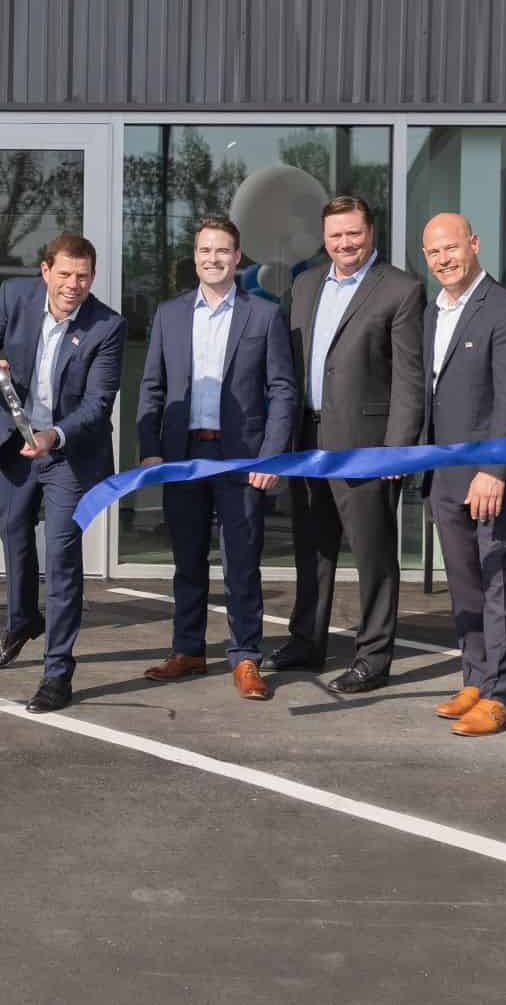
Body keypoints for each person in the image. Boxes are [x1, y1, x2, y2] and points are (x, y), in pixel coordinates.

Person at [135, 215, 299, 700]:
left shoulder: (263, 315)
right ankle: (187, 650)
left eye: (222, 250)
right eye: (205, 250)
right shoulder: (169, 314)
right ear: (195, 257)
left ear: (238, 255)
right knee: (187, 559)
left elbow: (282, 390)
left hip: (242, 459)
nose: (213, 259)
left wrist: (271, 457)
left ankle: (246, 656)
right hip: (184, 456)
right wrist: (150, 450)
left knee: (241, 561)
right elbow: (152, 388)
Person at [0, 234, 124, 713]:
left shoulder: (107, 326)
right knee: (14, 537)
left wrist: (54, 435)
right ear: (45, 271)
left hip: (66, 454)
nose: (74, 285)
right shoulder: (15, 297)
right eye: (65, 274)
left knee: (61, 558)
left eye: (84, 277)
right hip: (15, 444)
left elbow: (98, 405)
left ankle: (57, 673)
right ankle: (20, 622)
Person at [276, 194, 425, 694]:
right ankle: (306, 641)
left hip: (368, 445)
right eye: (336, 235)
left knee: (373, 555)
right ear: (325, 238)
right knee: (312, 546)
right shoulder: (305, 284)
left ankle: (374, 656)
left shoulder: (401, 289)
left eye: (354, 233)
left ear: (371, 233)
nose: (345, 243)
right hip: (307, 437)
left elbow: (409, 378)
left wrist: (397, 449)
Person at [419, 213, 506, 737]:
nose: (444, 260)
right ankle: (474, 676)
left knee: (500, 584)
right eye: (433, 254)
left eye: (451, 248)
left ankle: (499, 694)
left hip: (494, 478)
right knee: (465, 584)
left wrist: (495, 470)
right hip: (445, 476)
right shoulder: (432, 314)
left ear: (473, 243)